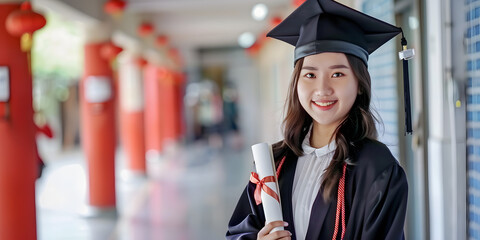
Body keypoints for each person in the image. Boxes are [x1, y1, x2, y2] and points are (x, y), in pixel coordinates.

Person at [226, 0, 409, 239]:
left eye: (338, 74)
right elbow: (238, 232)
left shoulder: (378, 169)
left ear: (360, 84)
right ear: (297, 83)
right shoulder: (274, 163)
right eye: (310, 74)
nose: (322, 88)